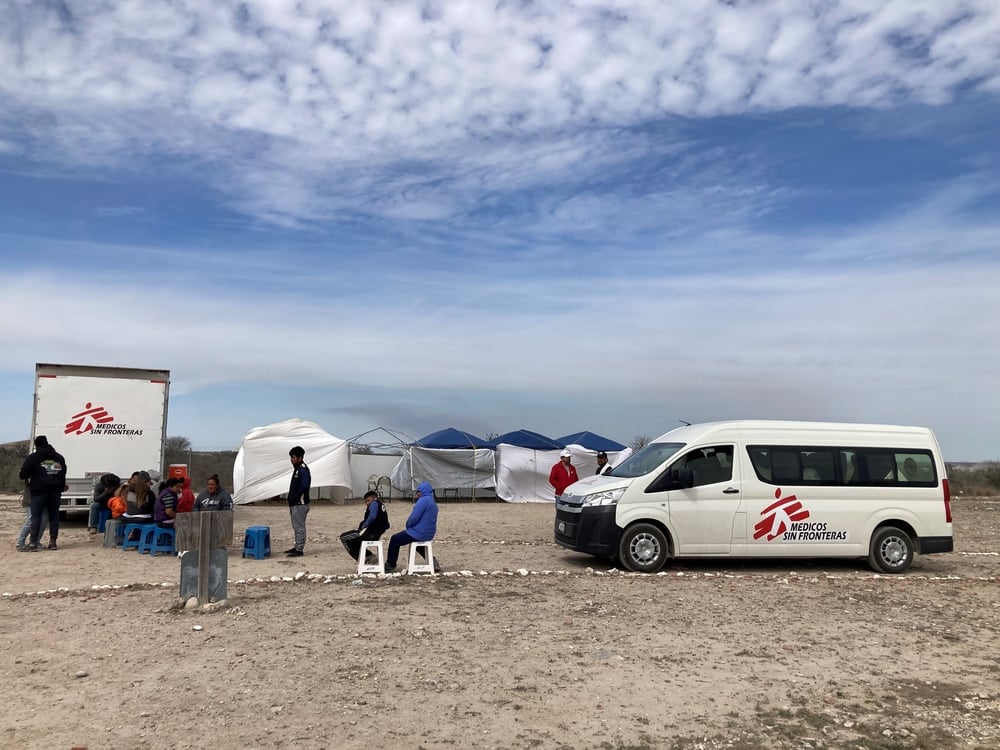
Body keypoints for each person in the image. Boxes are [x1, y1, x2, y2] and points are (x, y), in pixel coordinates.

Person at [19, 435, 67, 551]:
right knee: (54, 517)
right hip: (55, 492)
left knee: (36, 517)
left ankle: (33, 543)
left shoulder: (33, 458)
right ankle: (53, 542)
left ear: (36, 446)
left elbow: (23, 475)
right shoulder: (59, 458)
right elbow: (62, 473)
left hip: (38, 492)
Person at [384, 481, 439, 573]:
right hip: (429, 533)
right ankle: (432, 561)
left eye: (419, 491)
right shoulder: (432, 502)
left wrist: (408, 525)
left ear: (423, 491)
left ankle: (390, 564)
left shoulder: (423, 501)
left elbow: (414, 517)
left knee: (395, 539)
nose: (417, 494)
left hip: (418, 532)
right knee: (416, 542)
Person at [340, 490, 390, 561]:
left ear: (374, 498)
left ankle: (361, 559)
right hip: (376, 533)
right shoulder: (381, 505)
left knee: (343, 537)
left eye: (368, 500)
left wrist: (365, 525)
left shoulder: (374, 503)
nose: (367, 503)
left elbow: (372, 516)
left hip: (369, 533)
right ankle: (369, 556)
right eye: (365, 502)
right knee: (353, 541)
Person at [285, 446, 311, 557]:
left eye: (294, 457)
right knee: (296, 526)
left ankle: (299, 549)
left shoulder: (303, 469)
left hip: (300, 504)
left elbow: (304, 485)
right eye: (291, 457)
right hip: (294, 503)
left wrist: (296, 497)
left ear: (300, 457)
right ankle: (296, 546)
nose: (291, 459)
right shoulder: (297, 468)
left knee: (299, 526)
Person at [16, 484, 48, 551]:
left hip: (43, 500)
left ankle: (36, 542)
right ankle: (20, 543)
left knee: (44, 520)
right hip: (30, 500)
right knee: (30, 520)